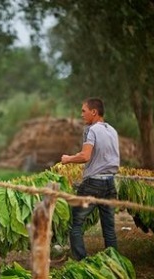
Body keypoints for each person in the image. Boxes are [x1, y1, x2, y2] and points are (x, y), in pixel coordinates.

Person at [61, 97, 119, 261]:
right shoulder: (112, 131)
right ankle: (114, 262)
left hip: (93, 184)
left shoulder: (93, 130)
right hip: (110, 183)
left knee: (75, 224)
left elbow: (85, 156)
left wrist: (68, 159)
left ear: (94, 112)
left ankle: (81, 262)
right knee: (109, 227)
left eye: (83, 111)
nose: (81, 115)